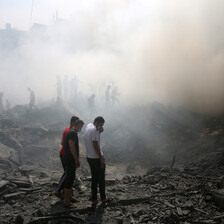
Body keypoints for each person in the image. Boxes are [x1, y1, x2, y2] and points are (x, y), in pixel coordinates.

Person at [84, 116, 112, 206]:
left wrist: (99, 132)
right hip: (96, 158)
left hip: (89, 157)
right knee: (101, 179)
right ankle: (103, 198)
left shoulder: (89, 126)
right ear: (97, 122)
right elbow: (95, 145)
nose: (101, 127)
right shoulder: (95, 130)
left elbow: (91, 137)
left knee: (94, 179)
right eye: (100, 125)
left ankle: (94, 199)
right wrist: (101, 158)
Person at [54, 116, 79, 197]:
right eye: (77, 123)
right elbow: (62, 143)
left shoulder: (71, 130)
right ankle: (58, 190)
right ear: (73, 123)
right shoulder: (68, 131)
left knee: (68, 173)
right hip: (64, 154)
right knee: (67, 173)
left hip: (67, 154)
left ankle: (66, 189)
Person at [63, 119, 84, 208]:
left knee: (71, 177)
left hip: (68, 158)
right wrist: (76, 159)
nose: (81, 128)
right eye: (81, 126)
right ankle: (66, 201)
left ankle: (70, 197)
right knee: (70, 178)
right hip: (70, 159)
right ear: (78, 125)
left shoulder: (71, 131)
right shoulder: (73, 133)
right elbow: (72, 147)